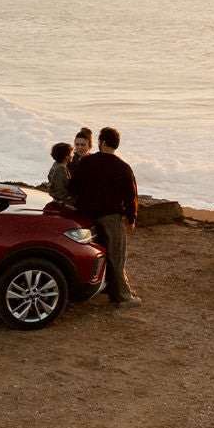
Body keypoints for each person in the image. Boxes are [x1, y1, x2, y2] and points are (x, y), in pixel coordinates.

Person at [68, 126, 140, 308]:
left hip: (85, 216)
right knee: (116, 256)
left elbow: (73, 188)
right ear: (114, 145)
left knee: (91, 254)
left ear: (103, 143)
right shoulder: (123, 168)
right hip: (110, 217)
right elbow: (131, 197)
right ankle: (123, 297)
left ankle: (102, 288)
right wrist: (131, 219)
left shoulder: (87, 163)